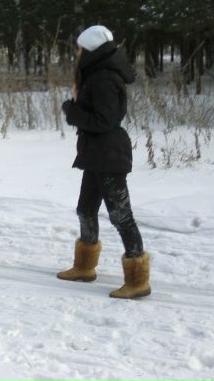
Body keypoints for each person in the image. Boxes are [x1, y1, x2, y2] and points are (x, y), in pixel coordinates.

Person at [58, 25, 150, 299]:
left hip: (109, 154)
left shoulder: (104, 78)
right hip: (95, 154)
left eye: (79, 48)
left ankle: (138, 279)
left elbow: (105, 121)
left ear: (89, 49)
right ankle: (84, 267)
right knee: (85, 210)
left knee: (121, 216)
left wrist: (72, 112)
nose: (77, 52)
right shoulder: (98, 73)